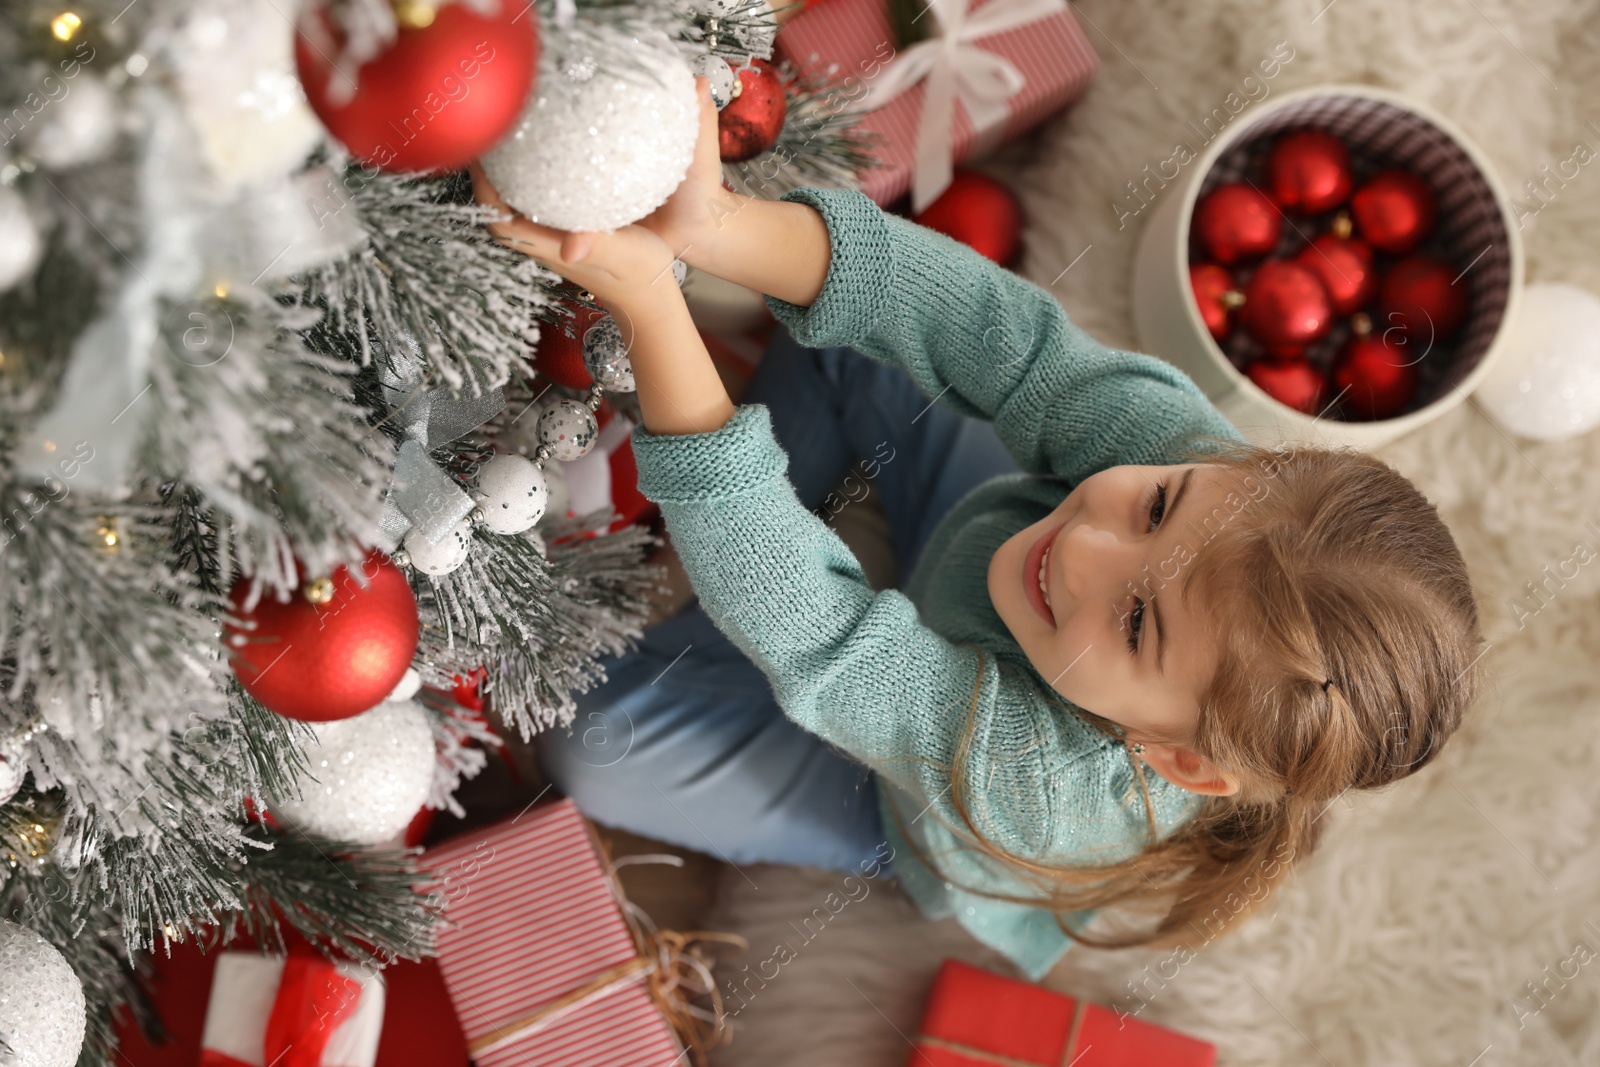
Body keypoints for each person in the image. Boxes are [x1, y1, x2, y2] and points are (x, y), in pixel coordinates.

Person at [468, 77, 1485, 982]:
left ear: (1172, 757)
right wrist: (718, 229)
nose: (1084, 542)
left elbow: (814, 629)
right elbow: (991, 331)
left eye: (1137, 621)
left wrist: (654, 310)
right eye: (1155, 507)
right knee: (883, 339)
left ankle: (741, 519)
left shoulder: (1039, 784)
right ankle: (759, 500)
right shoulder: (1209, 473)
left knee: (595, 745)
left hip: (911, 796)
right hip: (962, 537)